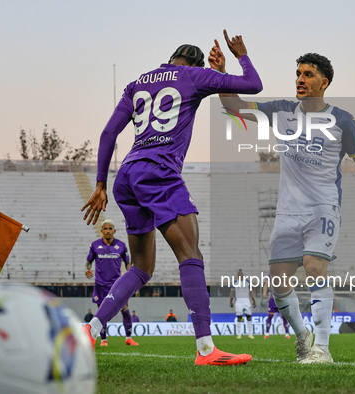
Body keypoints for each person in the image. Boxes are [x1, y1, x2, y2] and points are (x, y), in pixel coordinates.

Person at [81, 30, 262, 366]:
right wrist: (239, 56)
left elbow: (109, 132)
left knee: (141, 267)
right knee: (190, 254)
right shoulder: (193, 76)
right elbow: (253, 85)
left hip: (126, 176)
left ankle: (90, 330)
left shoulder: (137, 83)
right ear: (193, 63)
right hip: (160, 172)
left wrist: (100, 183)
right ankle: (207, 350)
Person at [213, 50, 355, 364]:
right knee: (278, 280)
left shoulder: (343, 120)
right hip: (287, 212)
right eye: (298, 74)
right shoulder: (281, 110)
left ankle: (323, 348)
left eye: (308, 75)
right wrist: (227, 71)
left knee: (314, 267)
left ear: (325, 82)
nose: (300, 80)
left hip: (323, 208)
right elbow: (234, 107)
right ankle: (303, 338)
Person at [86, 219, 138, 347]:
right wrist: (87, 269)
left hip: (117, 284)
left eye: (110, 229)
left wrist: (130, 275)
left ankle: (128, 338)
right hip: (100, 285)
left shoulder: (121, 246)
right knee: (101, 311)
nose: (108, 231)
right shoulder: (95, 245)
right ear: (101, 230)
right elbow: (88, 262)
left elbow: (127, 263)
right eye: (106, 228)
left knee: (125, 309)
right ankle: (103, 340)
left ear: (114, 231)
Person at [229, 269, 256, 339]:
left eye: (241, 273)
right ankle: (239, 334)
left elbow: (251, 292)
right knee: (239, 317)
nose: (240, 274)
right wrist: (231, 301)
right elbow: (232, 292)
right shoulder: (235, 282)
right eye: (239, 273)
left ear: (243, 274)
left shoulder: (247, 282)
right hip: (238, 302)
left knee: (249, 317)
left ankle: (250, 334)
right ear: (237, 274)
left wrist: (253, 300)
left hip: (247, 301)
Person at [262, 273, 290, 339]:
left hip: (281, 299)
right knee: (270, 316)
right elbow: (267, 284)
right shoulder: (271, 274)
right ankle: (267, 334)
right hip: (273, 300)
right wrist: (264, 291)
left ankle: (287, 334)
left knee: (284, 317)